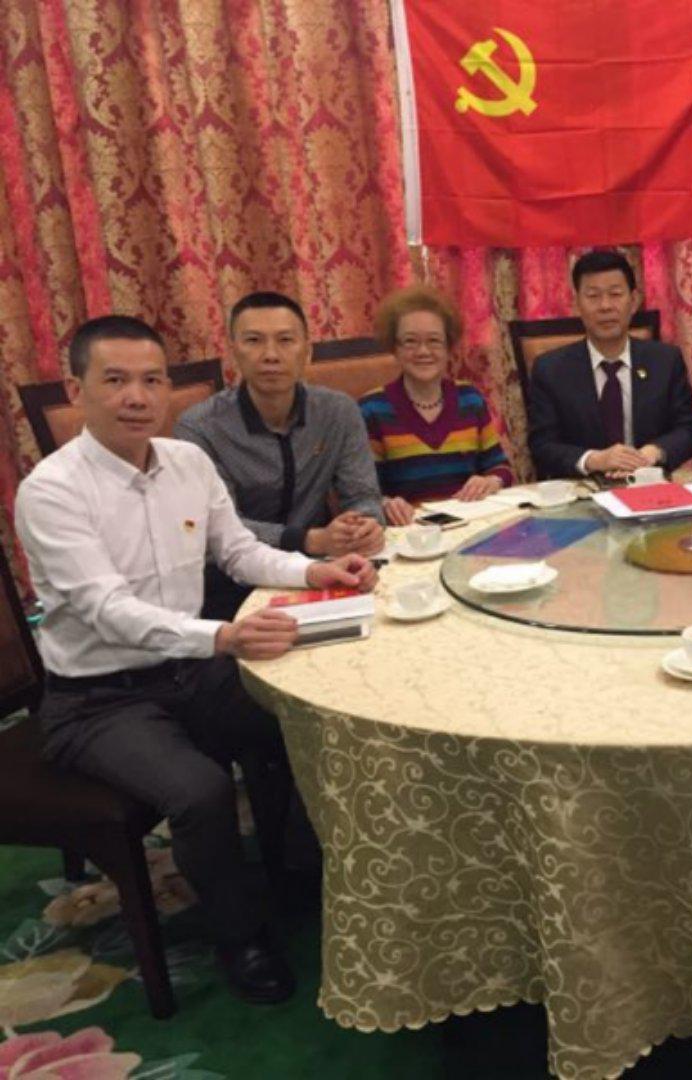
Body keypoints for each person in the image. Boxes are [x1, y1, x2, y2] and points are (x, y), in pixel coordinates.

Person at [15, 316, 378, 1004]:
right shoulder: (52, 490)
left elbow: (239, 552)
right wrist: (223, 637)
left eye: (152, 380)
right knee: (202, 791)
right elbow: (105, 609)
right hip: (99, 699)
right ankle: (241, 937)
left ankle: (297, 876)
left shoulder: (186, 461)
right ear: (77, 389)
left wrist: (317, 571)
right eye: (115, 380)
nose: (137, 397)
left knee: (303, 717)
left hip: (189, 673)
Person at [175, 291, 383, 618]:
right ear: (233, 352)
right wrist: (309, 540)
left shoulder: (337, 411)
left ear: (307, 352)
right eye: (254, 341)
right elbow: (219, 532)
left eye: (286, 340)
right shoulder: (200, 427)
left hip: (322, 567)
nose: (271, 355)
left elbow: (363, 494)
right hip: (233, 582)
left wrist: (365, 524)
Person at [526, 250, 692, 480]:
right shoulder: (550, 370)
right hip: (583, 488)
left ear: (634, 301)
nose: (605, 306)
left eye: (615, 294)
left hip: (648, 484)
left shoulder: (665, 361)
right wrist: (595, 459)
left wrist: (652, 453)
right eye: (593, 296)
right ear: (576, 304)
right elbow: (541, 445)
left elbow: (688, 430)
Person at [361, 285, 513, 525]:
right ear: (395, 348)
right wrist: (386, 503)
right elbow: (363, 491)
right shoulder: (371, 410)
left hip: (471, 526)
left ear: (448, 347)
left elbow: (501, 467)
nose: (423, 351)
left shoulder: (470, 399)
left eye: (434, 341)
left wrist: (490, 481)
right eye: (410, 342)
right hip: (409, 533)